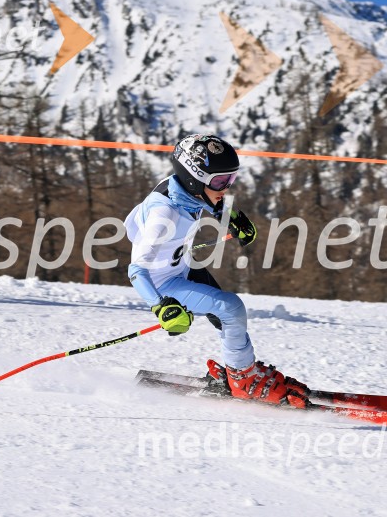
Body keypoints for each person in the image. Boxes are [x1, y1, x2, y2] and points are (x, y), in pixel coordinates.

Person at [124, 133, 308, 407]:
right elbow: (136, 270)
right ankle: (243, 380)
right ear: (194, 178)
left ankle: (240, 369)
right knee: (231, 308)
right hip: (163, 284)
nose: (226, 187)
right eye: (221, 181)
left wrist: (231, 217)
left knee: (224, 316)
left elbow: (206, 200)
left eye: (230, 179)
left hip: (181, 267)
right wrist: (161, 306)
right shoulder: (163, 217)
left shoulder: (183, 189)